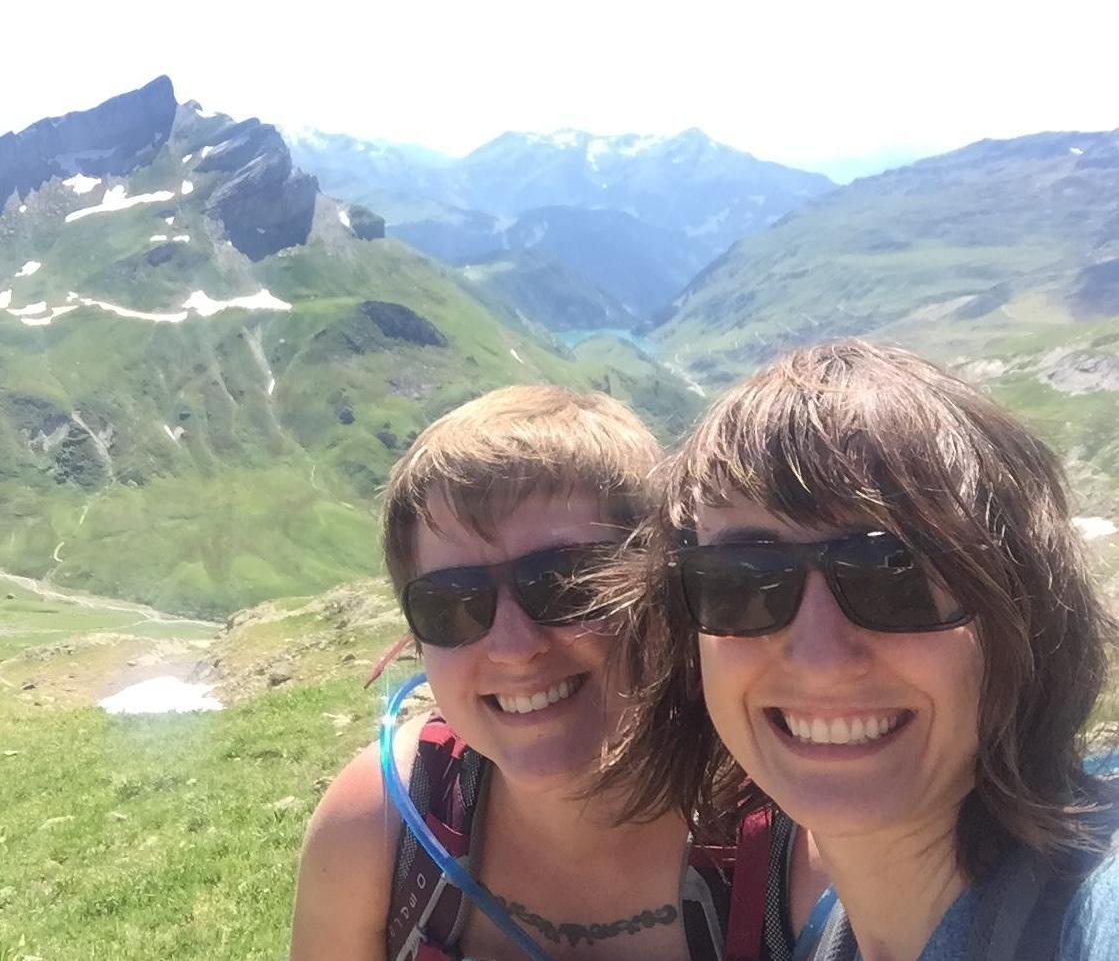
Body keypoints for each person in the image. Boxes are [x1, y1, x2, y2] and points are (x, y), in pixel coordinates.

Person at [604, 340, 1119, 960]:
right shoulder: (834, 935)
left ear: (1027, 612)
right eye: (742, 581)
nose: (821, 657)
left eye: (896, 575)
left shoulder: (1094, 911)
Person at [290, 385, 806, 961]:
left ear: (663, 590)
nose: (513, 647)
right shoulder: (381, 823)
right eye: (452, 605)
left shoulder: (800, 832)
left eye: (567, 584)